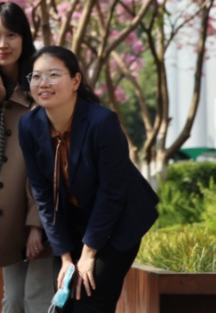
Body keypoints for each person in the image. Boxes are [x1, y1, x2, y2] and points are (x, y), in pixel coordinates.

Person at [19, 47, 159, 313]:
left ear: (75, 81)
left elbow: (112, 193)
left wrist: (88, 254)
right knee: (63, 301)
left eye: (53, 75)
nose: (43, 83)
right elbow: (43, 195)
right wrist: (65, 257)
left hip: (117, 220)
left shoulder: (102, 122)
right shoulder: (29, 126)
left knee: (90, 300)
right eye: (36, 76)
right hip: (73, 221)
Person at [0, 1, 54, 313]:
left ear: (25, 38)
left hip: (42, 206)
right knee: (13, 299)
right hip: (8, 206)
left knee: (37, 298)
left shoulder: (40, 85)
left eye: (11, 35)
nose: (2, 44)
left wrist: (37, 222)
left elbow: (47, 161)